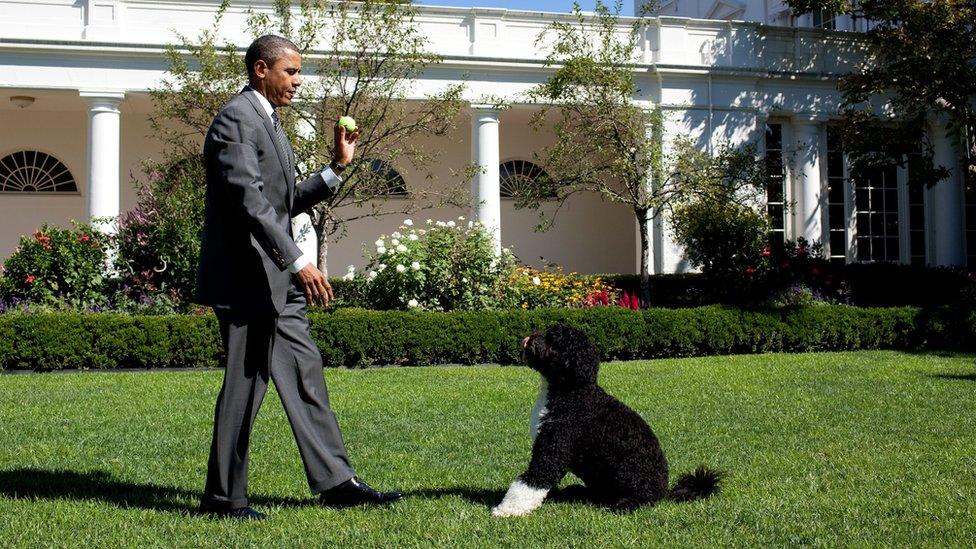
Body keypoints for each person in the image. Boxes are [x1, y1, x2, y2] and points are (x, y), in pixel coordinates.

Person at [196, 34, 402, 520]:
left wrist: (335, 168)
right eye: (291, 71)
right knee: (245, 386)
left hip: (279, 282)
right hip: (248, 279)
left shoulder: (269, 123)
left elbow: (283, 199)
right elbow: (250, 201)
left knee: (306, 375)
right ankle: (223, 500)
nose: (298, 80)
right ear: (260, 70)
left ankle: (337, 482)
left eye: (298, 71)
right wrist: (298, 260)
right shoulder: (236, 120)